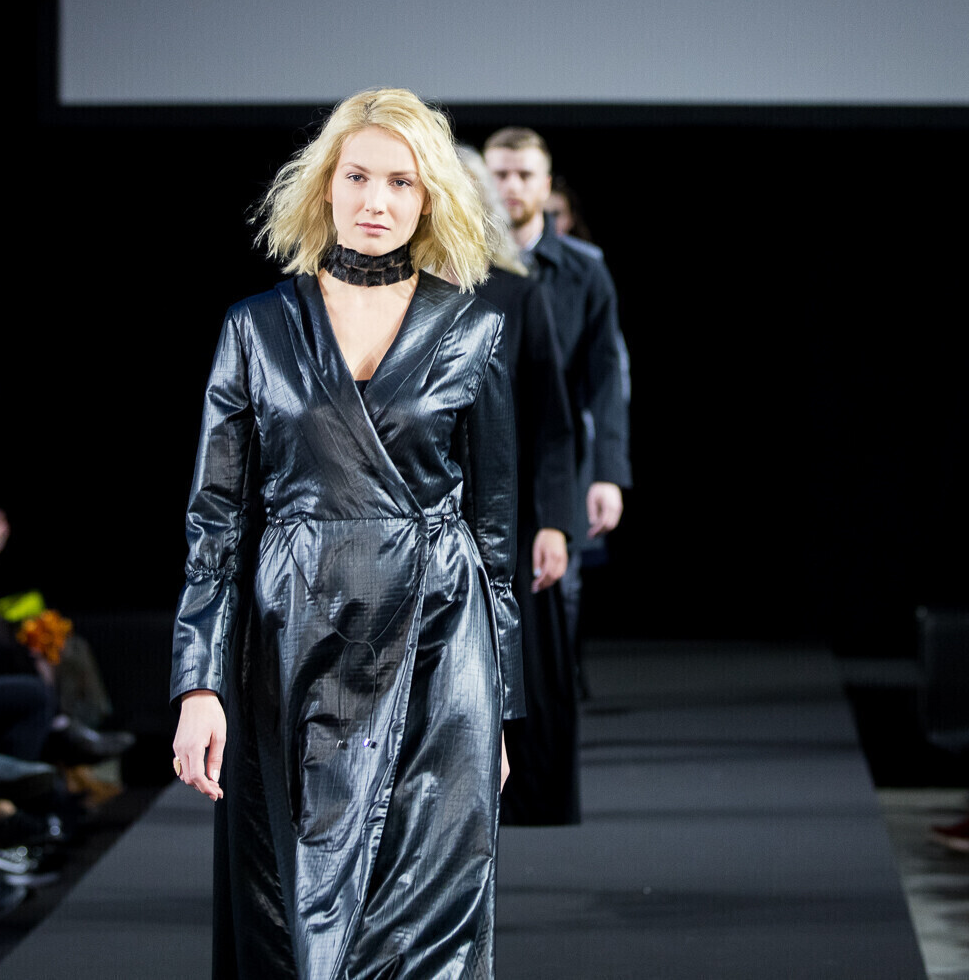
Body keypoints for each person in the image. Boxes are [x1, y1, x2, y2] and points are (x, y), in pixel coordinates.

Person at [170, 87, 521, 979]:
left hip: (440, 645)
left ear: (429, 197)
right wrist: (198, 682)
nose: (375, 201)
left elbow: (494, 542)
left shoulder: (474, 328)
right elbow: (215, 520)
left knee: (428, 926)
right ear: (323, 185)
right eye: (357, 176)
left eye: (401, 181)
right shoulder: (256, 328)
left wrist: (499, 705)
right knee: (295, 917)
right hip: (295, 644)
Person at [459, 144, 582, 825]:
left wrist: (555, 521)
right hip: (423, 510)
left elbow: (552, 425)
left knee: (521, 660)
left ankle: (523, 796)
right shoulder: (387, 297)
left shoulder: (516, 292)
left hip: (508, 512)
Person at [483, 126, 630, 647]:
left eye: (525, 175)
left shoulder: (584, 272)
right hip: (484, 461)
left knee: (556, 603)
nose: (511, 186)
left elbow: (606, 376)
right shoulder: (464, 269)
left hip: (559, 459)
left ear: (546, 185)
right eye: (500, 174)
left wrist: (608, 474)